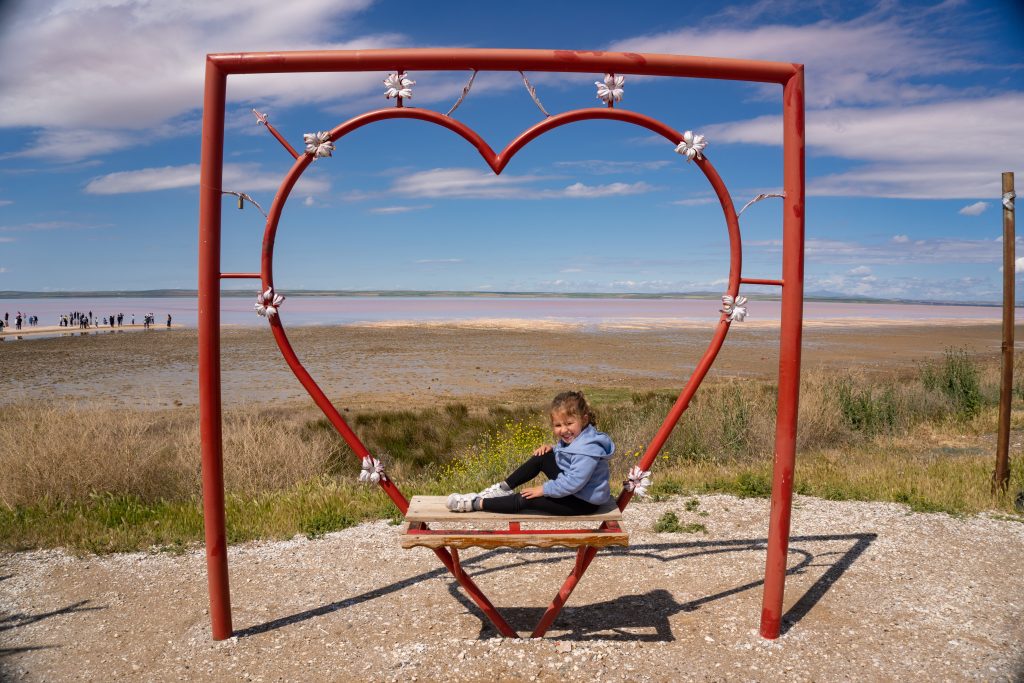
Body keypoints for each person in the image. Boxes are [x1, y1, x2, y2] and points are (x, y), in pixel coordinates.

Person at [447, 391, 614, 515]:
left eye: (569, 423)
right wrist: (553, 449)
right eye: (558, 425)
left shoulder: (588, 449)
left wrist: (544, 489)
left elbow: (574, 482)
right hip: (577, 490)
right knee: (542, 457)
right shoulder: (581, 437)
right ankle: (502, 488)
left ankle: (477, 503)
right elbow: (571, 456)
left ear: (584, 420)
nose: (564, 430)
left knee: (527, 498)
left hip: (583, 502)